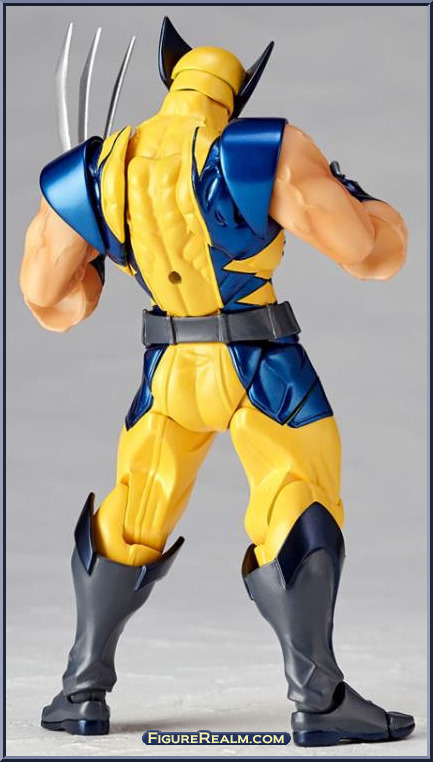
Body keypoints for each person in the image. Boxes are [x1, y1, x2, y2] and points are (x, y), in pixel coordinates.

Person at [20, 17, 413, 746]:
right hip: (261, 366)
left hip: (170, 369)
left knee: (135, 508)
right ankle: (318, 697)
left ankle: (80, 690)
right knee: (297, 496)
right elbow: (372, 254)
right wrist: (358, 198)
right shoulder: (260, 149)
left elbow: (51, 302)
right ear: (235, 94)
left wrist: (98, 258)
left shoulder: (101, 169)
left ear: (171, 81)